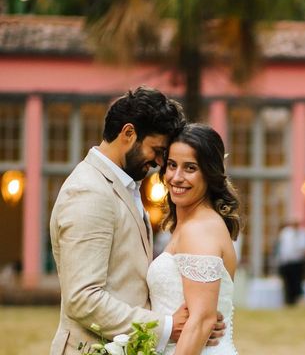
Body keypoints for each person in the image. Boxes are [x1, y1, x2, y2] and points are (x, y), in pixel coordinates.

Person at [49, 87, 224, 355]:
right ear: (128, 133)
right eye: (157, 150)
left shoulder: (124, 186)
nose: (158, 163)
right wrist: (165, 326)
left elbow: (128, 283)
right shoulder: (89, 192)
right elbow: (82, 299)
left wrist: (199, 319)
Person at [148, 123, 242, 354]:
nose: (176, 177)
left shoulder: (200, 229)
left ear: (209, 173)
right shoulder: (188, 225)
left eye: (190, 168)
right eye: (172, 165)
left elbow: (201, 321)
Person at [276, 219, 305, 306]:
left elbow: (303, 248)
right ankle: (288, 300)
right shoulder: (286, 232)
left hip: (297, 261)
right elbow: (281, 246)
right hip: (285, 261)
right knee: (287, 282)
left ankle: (296, 301)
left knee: (296, 282)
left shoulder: (304, 233)